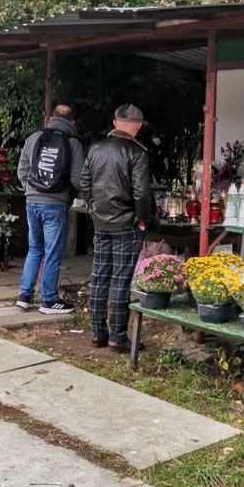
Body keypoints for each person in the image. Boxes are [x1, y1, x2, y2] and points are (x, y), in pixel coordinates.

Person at [81, 104, 154, 351]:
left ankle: (98, 332)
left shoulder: (96, 148)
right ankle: (118, 336)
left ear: (114, 123)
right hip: (126, 223)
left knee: (100, 276)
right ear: (138, 126)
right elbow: (142, 193)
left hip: (101, 222)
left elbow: (84, 181)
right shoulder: (137, 152)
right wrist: (143, 218)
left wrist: (93, 209)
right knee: (121, 279)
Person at [15, 105, 85, 314]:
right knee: (53, 252)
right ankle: (50, 300)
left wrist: (31, 190)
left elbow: (22, 170)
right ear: (73, 122)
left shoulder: (34, 137)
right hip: (55, 204)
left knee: (35, 249)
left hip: (31, 202)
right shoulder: (73, 143)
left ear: (50, 118)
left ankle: (25, 296)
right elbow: (78, 179)